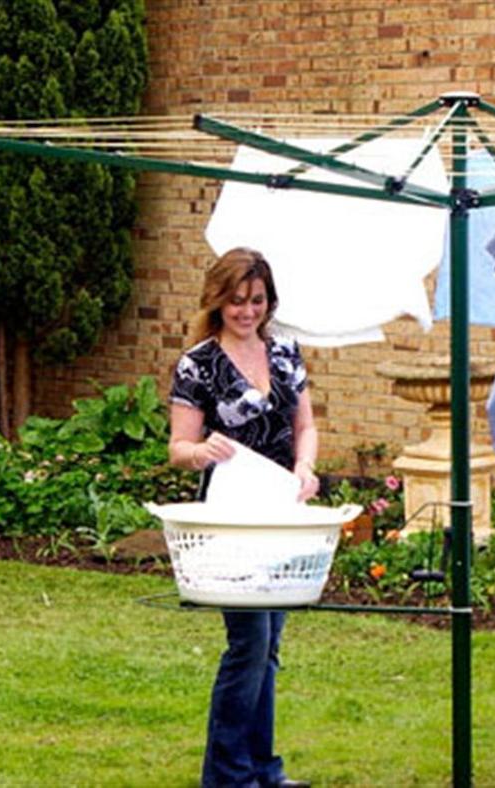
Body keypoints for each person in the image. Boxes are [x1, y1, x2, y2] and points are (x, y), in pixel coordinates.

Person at [168, 247, 318, 788]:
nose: (246, 311)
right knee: (249, 642)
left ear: (268, 302)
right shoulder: (198, 364)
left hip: (280, 513)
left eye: (256, 300)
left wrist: (306, 466)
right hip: (230, 520)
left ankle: (263, 770)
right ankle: (228, 776)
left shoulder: (285, 354)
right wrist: (202, 451)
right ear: (218, 301)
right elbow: (177, 448)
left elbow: (305, 426)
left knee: (269, 647)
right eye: (236, 301)